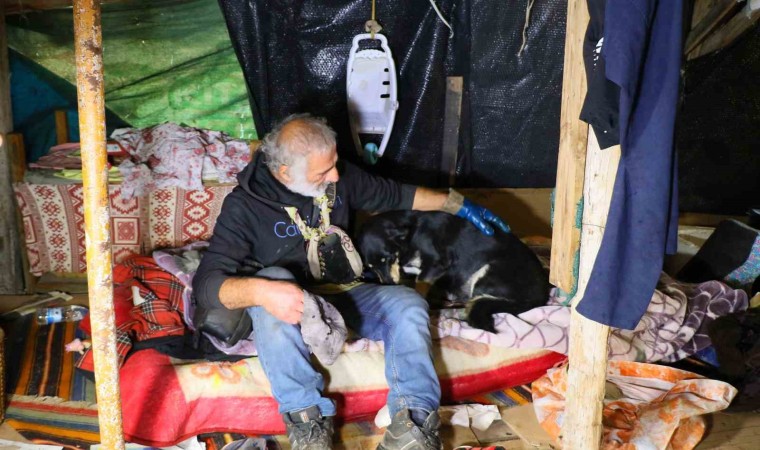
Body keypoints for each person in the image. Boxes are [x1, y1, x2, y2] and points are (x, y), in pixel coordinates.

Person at [193, 114, 509, 450]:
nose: (335, 175)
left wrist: (458, 205)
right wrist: (261, 291)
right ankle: (308, 425)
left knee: (409, 305)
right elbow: (206, 284)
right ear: (285, 172)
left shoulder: (337, 177)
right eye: (323, 173)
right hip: (290, 306)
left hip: (342, 290)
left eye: (334, 164)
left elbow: (394, 194)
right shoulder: (244, 207)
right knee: (274, 280)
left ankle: (414, 424)